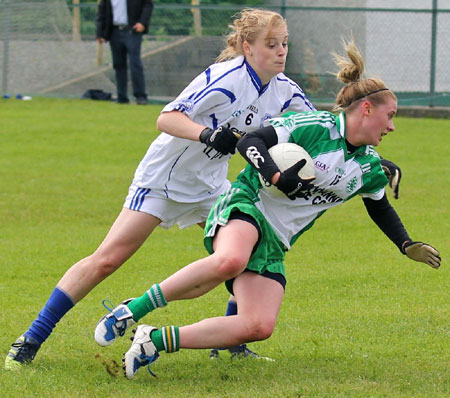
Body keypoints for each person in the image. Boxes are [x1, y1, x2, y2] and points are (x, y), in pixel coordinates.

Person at [4, 9, 400, 370]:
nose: (281, 52)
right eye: (271, 44)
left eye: (284, 44)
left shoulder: (286, 91)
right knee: (108, 259)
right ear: (247, 47)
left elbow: (323, 132)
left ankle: (233, 339)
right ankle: (31, 339)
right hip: (166, 178)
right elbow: (166, 118)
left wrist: (372, 160)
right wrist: (208, 134)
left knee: (246, 254)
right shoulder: (224, 78)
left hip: (212, 187)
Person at [93, 37, 440, 380]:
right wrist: (276, 175)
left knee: (257, 326)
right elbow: (252, 141)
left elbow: (379, 207)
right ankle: (130, 310)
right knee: (229, 261)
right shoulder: (314, 126)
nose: (392, 126)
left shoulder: (367, 165)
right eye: (389, 116)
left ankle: (153, 340)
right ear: (366, 110)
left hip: (276, 241)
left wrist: (405, 244)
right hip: (247, 204)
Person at [96, 0, 153, 105]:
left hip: (132, 30)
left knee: (134, 63)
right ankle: (121, 96)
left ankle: (140, 96)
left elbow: (148, 4)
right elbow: (102, 11)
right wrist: (100, 33)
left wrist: (143, 23)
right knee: (118, 64)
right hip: (114, 31)